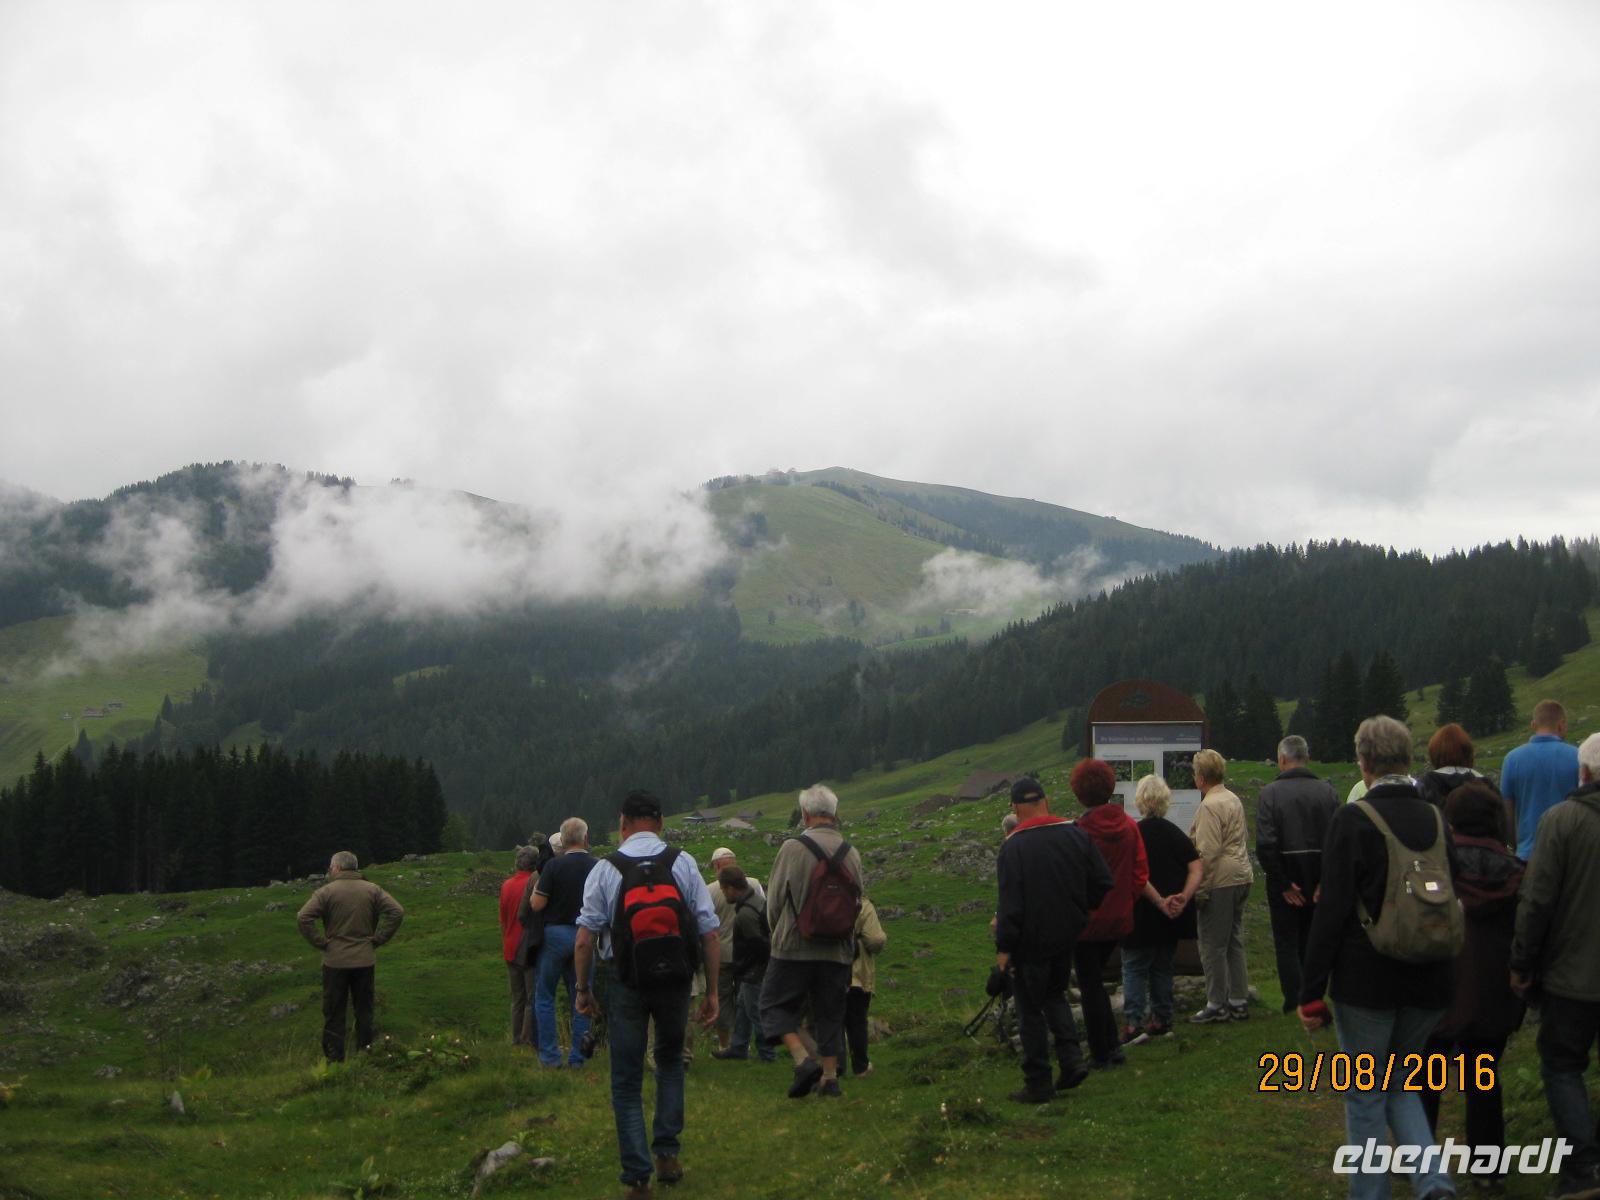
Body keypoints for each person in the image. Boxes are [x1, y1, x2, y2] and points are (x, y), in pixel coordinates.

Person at [1298, 715, 1457, 1200]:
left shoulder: (1354, 819)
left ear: (1363, 762)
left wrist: (1310, 990)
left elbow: (1333, 911)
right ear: (1409, 759)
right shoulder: (1436, 816)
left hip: (1366, 981)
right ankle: (1433, 1183)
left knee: (1366, 1094)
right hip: (1430, 975)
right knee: (1402, 1083)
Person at [574, 791, 720, 1200]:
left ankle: (638, 1179)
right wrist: (710, 992)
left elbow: (585, 939)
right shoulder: (684, 863)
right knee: (670, 1063)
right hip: (676, 980)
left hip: (626, 981)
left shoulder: (606, 868)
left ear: (622, 824)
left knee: (625, 1079)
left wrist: (583, 991)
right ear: (660, 822)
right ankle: (668, 1157)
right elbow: (709, 932)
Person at [1420, 783, 1524, 1194]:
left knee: (1426, 1077)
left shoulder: (1435, 870)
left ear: (1450, 820)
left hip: (1439, 986)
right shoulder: (1517, 872)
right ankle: (1488, 1164)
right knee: (1483, 1076)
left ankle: (1422, 1160)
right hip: (1493, 991)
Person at [1510, 732, 1600, 1200]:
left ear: (1582, 772)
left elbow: (1537, 900)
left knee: (1563, 1066)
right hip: (1575, 972)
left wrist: (1522, 963)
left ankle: (1583, 1170)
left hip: (1572, 976)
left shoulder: (1560, 821)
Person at [995, 776, 1112, 1103]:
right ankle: (1072, 1061)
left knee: (1030, 1008)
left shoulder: (1013, 847)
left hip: (1029, 942)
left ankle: (1038, 1082)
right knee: (1055, 995)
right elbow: (1103, 882)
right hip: (1066, 935)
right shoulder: (1076, 835)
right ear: (1045, 801)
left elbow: (1010, 907)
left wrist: (1004, 951)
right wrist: (1079, 911)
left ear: (1017, 808)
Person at [760, 783, 865, 1099]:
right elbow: (858, 900)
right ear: (835, 814)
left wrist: (777, 932)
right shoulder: (852, 852)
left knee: (772, 1005)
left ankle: (804, 1060)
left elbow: (775, 900)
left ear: (805, 815)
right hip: (836, 949)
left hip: (793, 946)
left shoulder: (793, 849)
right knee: (830, 1013)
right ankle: (830, 1080)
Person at [1069, 758, 1157, 1067]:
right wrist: (1123, 902)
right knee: (1096, 982)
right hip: (1120, 919)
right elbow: (1139, 873)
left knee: (1090, 984)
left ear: (1079, 792)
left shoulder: (1079, 831)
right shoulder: (1130, 826)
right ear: (1110, 787)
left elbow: (1073, 879)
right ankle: (1111, 1048)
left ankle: (1103, 1051)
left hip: (1086, 922)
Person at [1255, 735, 1340, 1013]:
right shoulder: (1327, 791)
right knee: (1313, 939)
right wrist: (1325, 881)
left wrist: (1282, 882)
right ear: (1308, 758)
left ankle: (1294, 1000)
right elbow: (1338, 841)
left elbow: (1266, 844)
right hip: (1319, 877)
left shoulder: (1270, 794)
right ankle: (1314, 995)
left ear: (1281, 759)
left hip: (1285, 876)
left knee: (1286, 942)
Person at [296, 851, 405, 1062]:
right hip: (364, 959)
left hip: (335, 961)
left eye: (330, 867)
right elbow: (397, 912)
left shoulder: (326, 891)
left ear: (336, 868)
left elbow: (303, 917)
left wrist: (320, 942)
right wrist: (379, 939)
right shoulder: (372, 890)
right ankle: (366, 1056)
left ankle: (334, 1061)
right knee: (364, 1011)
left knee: (334, 1012)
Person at [1122, 774, 1201, 1042]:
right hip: (1171, 916)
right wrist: (1182, 897)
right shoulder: (1175, 834)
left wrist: (1158, 901)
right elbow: (1196, 867)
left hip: (1141, 914)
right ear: (1166, 801)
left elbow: (1136, 874)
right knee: (1162, 967)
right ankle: (1162, 1019)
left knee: (1134, 967)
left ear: (1140, 801)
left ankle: (1134, 1023)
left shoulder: (1133, 834)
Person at [1187, 749, 1254, 1023]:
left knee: (1213, 943)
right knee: (1234, 940)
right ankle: (1238, 999)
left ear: (1201, 777)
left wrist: (1201, 890)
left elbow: (1208, 852)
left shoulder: (1209, 806)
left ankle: (1216, 1002)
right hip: (1242, 874)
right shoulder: (1233, 799)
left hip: (1221, 880)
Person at [530, 817, 599, 1068]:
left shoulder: (554, 867)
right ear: (585, 838)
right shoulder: (597, 866)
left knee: (545, 995)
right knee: (582, 994)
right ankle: (578, 1058)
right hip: (586, 935)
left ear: (563, 839)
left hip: (556, 935)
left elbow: (537, 904)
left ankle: (549, 1057)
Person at [1500, 699, 1579, 859]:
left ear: (1533, 725)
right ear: (1561, 724)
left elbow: (1506, 810)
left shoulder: (1512, 759)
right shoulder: (1577, 756)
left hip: (1527, 854)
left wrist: (1515, 846)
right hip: (1569, 855)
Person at [714, 866, 776, 1063]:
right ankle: (739, 1046)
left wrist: (743, 968)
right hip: (755, 969)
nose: (723, 894)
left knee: (755, 1011)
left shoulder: (745, 914)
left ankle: (767, 1054)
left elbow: (758, 945)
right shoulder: (756, 900)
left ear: (732, 888)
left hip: (753, 972)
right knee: (742, 1007)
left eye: (723, 890)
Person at [708, 848, 765, 1057]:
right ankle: (744, 1043)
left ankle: (725, 1044)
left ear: (716, 866)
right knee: (747, 1000)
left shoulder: (710, 890)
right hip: (749, 955)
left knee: (723, 999)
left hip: (721, 954)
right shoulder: (755, 884)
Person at [1417, 723, 1508, 842]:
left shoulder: (1427, 784)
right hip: (1486, 853)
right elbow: (1502, 827)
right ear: (1469, 752)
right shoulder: (1487, 785)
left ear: (1434, 754)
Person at [499, 845, 540, 1047]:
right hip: (529, 949)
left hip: (509, 947)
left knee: (517, 998)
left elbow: (503, 919)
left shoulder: (506, 885)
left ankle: (515, 1040)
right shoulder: (535, 883)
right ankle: (527, 1039)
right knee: (532, 998)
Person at [844, 896, 888, 1077]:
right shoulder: (862, 904)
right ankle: (860, 1066)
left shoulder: (821, 898)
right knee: (857, 1022)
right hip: (857, 975)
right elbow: (876, 940)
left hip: (829, 973)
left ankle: (835, 1067)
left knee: (832, 1021)